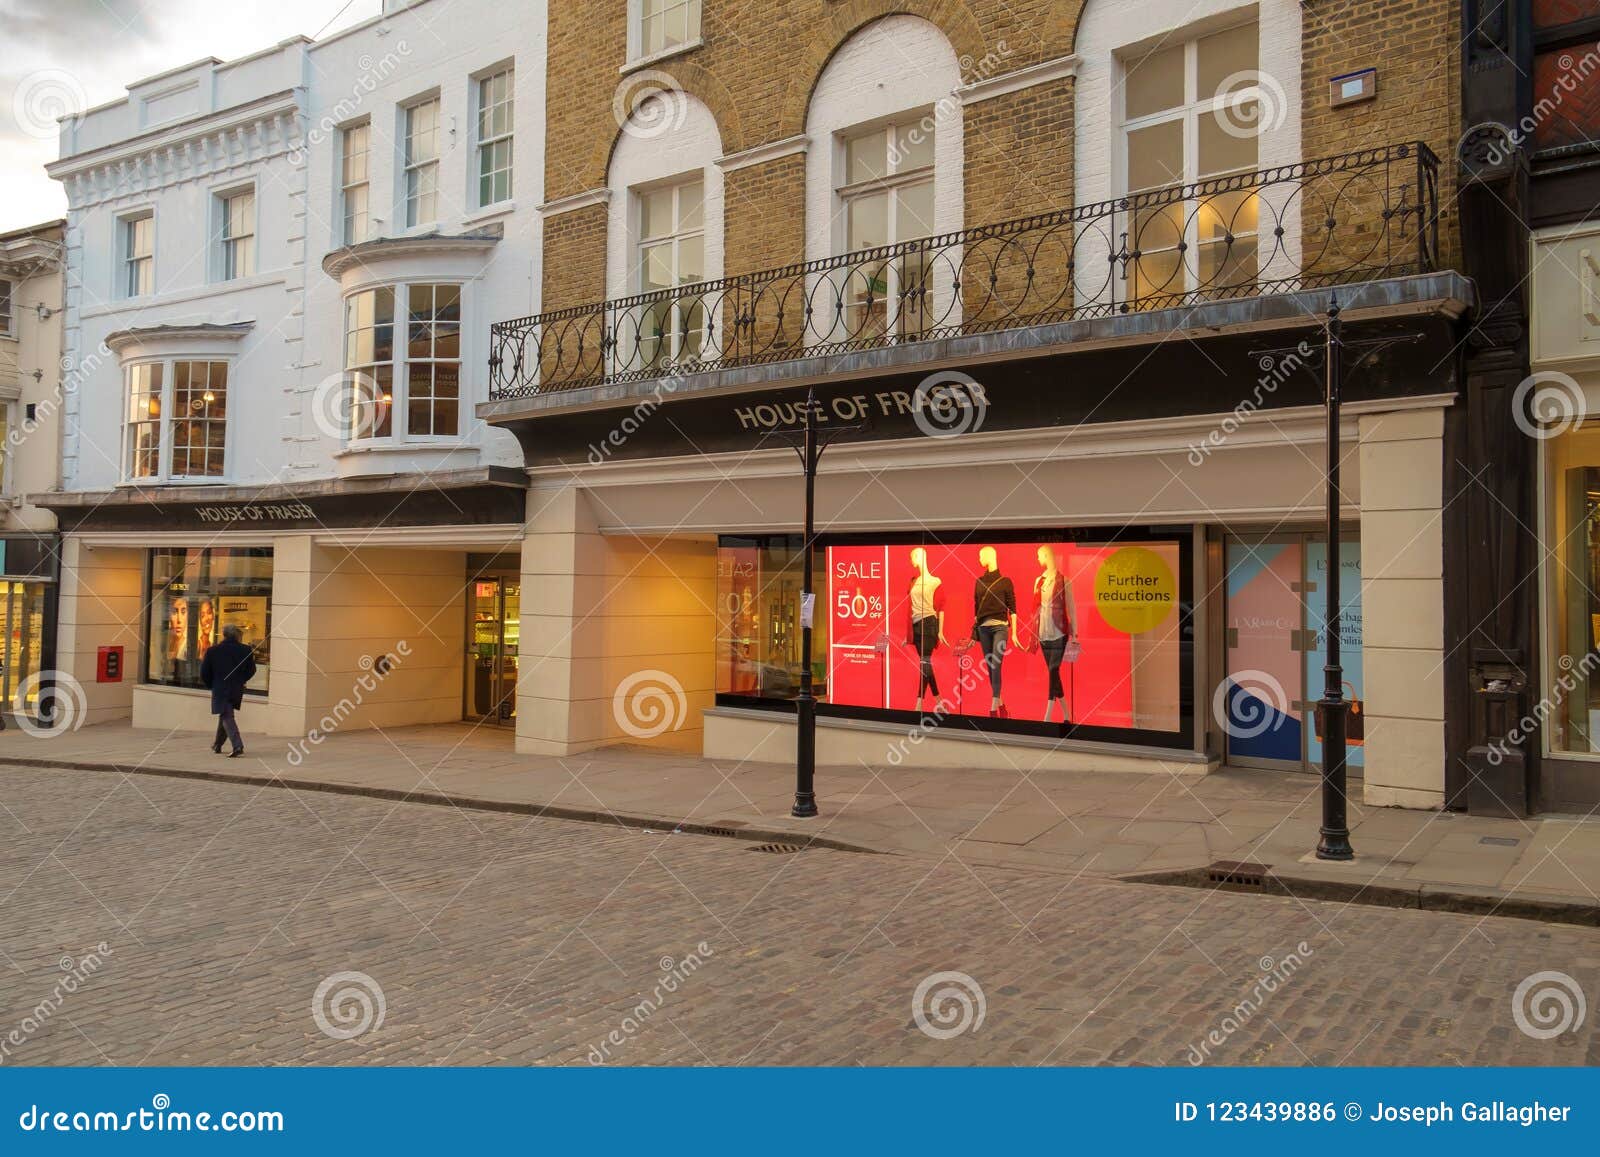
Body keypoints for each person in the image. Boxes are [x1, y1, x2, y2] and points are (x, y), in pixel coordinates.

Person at [1032, 546, 1078, 723]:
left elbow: (1071, 607)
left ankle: (1048, 716)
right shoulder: (1039, 581)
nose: (1037, 559)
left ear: (1045, 555)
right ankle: (1067, 715)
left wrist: (1075, 632)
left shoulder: (1065, 580)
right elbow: (1035, 608)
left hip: (1059, 632)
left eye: (1038, 556)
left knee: (1053, 670)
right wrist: (1033, 632)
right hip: (1043, 632)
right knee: (1054, 674)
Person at [973, 546, 1019, 718]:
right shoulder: (978, 582)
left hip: (1000, 626)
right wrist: (973, 633)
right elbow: (976, 609)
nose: (979, 559)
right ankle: (1002, 705)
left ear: (990, 556)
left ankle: (992, 709)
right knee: (990, 667)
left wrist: (1014, 633)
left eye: (981, 556)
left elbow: (1013, 608)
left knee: (996, 664)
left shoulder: (1006, 581)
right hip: (983, 628)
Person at [200, 624, 257, 757]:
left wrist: (211, 684)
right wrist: (241, 679)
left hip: (220, 688)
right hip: (236, 688)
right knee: (225, 714)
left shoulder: (213, 650)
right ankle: (217, 744)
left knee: (226, 715)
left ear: (224, 635)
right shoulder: (245, 650)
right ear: (237, 636)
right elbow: (252, 670)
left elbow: (204, 673)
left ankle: (237, 746)